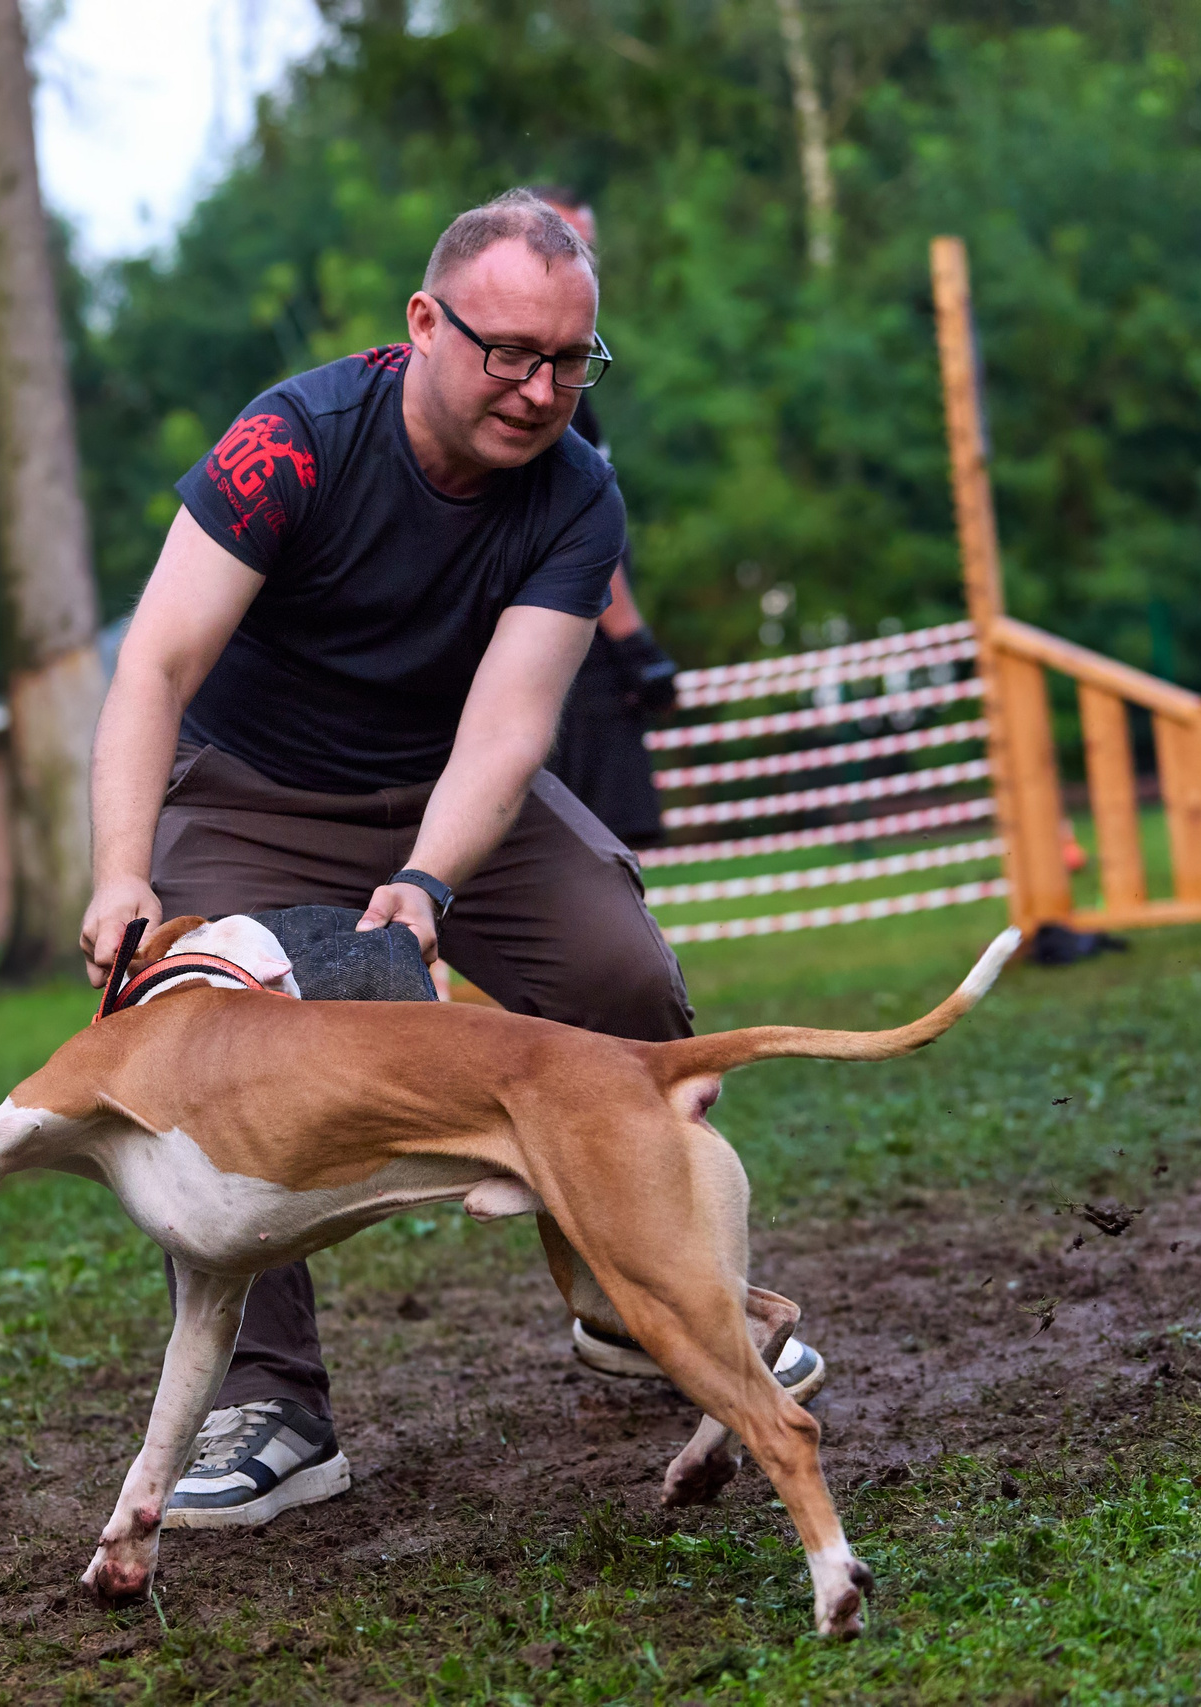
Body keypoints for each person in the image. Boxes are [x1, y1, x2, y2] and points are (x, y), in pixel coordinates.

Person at [80, 188, 819, 1529]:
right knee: (201, 1044)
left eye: (570, 362)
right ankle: (270, 1401)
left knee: (617, 969)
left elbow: (511, 723)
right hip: (256, 789)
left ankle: (637, 1303)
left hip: (451, 787)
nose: (539, 392)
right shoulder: (292, 442)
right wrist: (123, 871)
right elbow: (157, 665)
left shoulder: (577, 491)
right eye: (509, 353)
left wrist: (426, 882)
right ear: (425, 322)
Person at [531, 187, 678, 847]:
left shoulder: (574, 375)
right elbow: (577, 524)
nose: (581, 263)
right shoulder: (541, 386)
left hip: (570, 634)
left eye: (587, 250)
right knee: (592, 846)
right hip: (564, 644)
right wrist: (633, 643)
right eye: (564, 244)